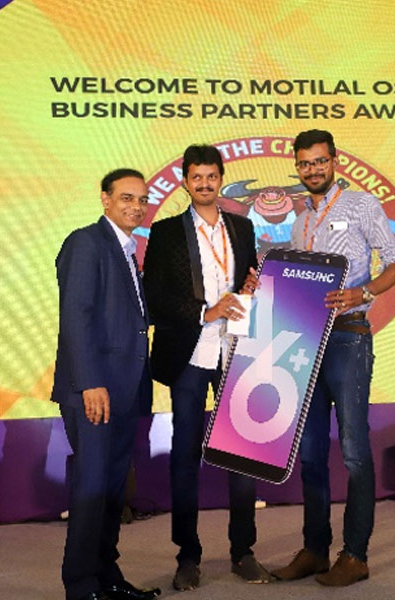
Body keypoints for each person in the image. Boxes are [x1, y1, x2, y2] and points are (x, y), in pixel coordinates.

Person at [271, 130, 395, 586]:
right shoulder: (299, 221)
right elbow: (299, 281)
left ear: (335, 161)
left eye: (319, 161)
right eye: (304, 163)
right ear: (297, 167)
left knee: (352, 451)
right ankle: (315, 550)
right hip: (307, 341)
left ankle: (355, 555)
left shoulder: (362, 205)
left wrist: (362, 292)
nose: (312, 170)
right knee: (310, 453)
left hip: (348, 338)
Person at [143, 145, 269, 590]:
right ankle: (187, 556)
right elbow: (155, 296)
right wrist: (205, 312)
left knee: (242, 453)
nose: (204, 184)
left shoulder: (242, 226)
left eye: (211, 176)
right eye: (196, 177)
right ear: (185, 182)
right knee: (185, 454)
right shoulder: (165, 232)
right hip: (190, 354)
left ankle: (243, 551)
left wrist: (252, 285)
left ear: (221, 178)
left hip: (237, 351)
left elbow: (248, 283)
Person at [50, 168, 161, 600]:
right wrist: (90, 382)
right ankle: (81, 587)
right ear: (105, 199)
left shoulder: (128, 249)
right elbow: (75, 316)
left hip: (124, 391)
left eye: (142, 199)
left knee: (114, 490)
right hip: (94, 391)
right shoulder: (86, 243)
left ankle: (107, 577)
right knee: (94, 488)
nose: (136, 206)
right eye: (126, 198)